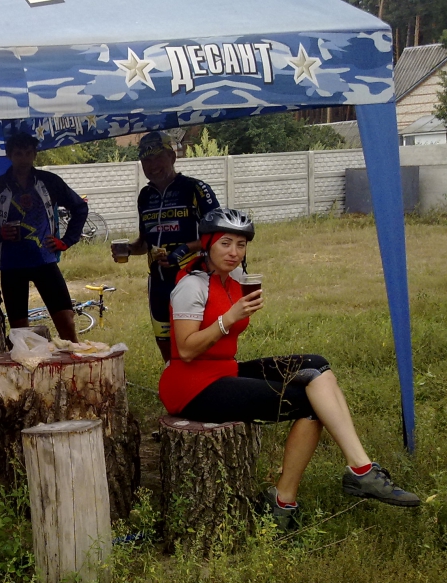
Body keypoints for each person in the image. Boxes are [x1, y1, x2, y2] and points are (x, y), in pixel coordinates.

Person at [158, 207, 419, 532]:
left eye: (241, 244)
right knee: (311, 404)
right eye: (225, 243)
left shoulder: (234, 280)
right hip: (190, 386)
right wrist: (230, 318)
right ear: (208, 244)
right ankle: (285, 501)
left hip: (225, 370)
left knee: (316, 366)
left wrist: (234, 313)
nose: (234, 252)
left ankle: (360, 469)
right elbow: (185, 349)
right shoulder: (192, 286)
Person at [0, 131, 88, 342]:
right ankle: (28, 362)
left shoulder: (49, 181)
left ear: (35, 154)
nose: (24, 159)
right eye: (18, 153)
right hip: (12, 265)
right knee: (20, 332)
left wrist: (66, 241)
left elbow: (80, 207)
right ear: (9, 155)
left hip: (44, 260)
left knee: (67, 321)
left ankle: (74, 359)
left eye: (28, 153)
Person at [127, 131, 219, 362]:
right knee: (165, 345)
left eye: (158, 157)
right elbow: (144, 243)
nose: (152, 166)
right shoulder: (145, 196)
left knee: (194, 344)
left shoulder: (196, 189)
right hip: (158, 283)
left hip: (193, 278)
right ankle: (173, 378)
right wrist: (127, 249)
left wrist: (184, 249)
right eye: (146, 160)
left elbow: (220, 236)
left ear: (172, 156)